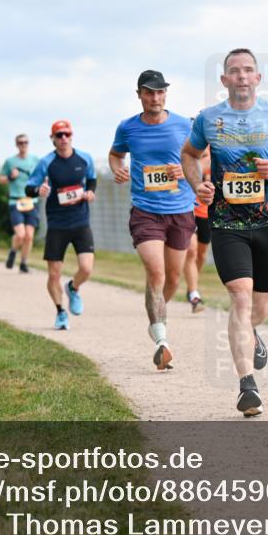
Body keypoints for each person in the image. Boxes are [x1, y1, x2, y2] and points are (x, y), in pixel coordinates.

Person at [181, 48, 268, 417]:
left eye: (248, 70)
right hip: (226, 223)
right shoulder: (209, 119)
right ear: (224, 80)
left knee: (260, 308)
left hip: (266, 223)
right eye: (234, 71)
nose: (241, 76)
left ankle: (250, 333)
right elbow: (189, 155)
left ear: (258, 78)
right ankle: (247, 386)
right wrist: (197, 185)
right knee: (240, 298)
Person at [109, 70, 196, 370]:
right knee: (155, 272)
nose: (155, 97)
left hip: (181, 210)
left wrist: (185, 170)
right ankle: (161, 340)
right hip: (145, 210)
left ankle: (157, 314)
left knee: (173, 278)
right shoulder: (128, 127)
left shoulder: (184, 125)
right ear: (139, 95)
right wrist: (118, 169)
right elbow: (115, 154)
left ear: (166, 94)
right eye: (149, 92)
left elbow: (204, 157)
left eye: (160, 92)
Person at [25, 120, 97, 330]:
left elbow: (92, 179)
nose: (63, 138)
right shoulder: (46, 162)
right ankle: (60, 312)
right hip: (57, 224)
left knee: (86, 268)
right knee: (54, 274)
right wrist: (38, 191)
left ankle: (73, 288)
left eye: (67, 134)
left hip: (81, 221)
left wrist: (90, 192)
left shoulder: (85, 158)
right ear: (53, 139)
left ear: (71, 136)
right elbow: (29, 187)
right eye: (59, 135)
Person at [0, 133, 40, 273]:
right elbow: (1, 179)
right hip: (15, 201)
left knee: (29, 236)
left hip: (31, 201)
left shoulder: (35, 160)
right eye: (21, 143)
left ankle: (23, 263)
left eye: (26, 142)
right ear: (17, 145)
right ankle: (13, 250)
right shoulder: (10, 161)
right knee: (20, 234)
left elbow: (43, 175)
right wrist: (11, 177)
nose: (23, 145)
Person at [183, 144, 211, 313]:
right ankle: (194, 295)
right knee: (191, 251)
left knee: (201, 254)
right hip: (189, 208)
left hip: (207, 212)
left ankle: (192, 286)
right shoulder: (191, 146)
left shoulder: (219, 148)